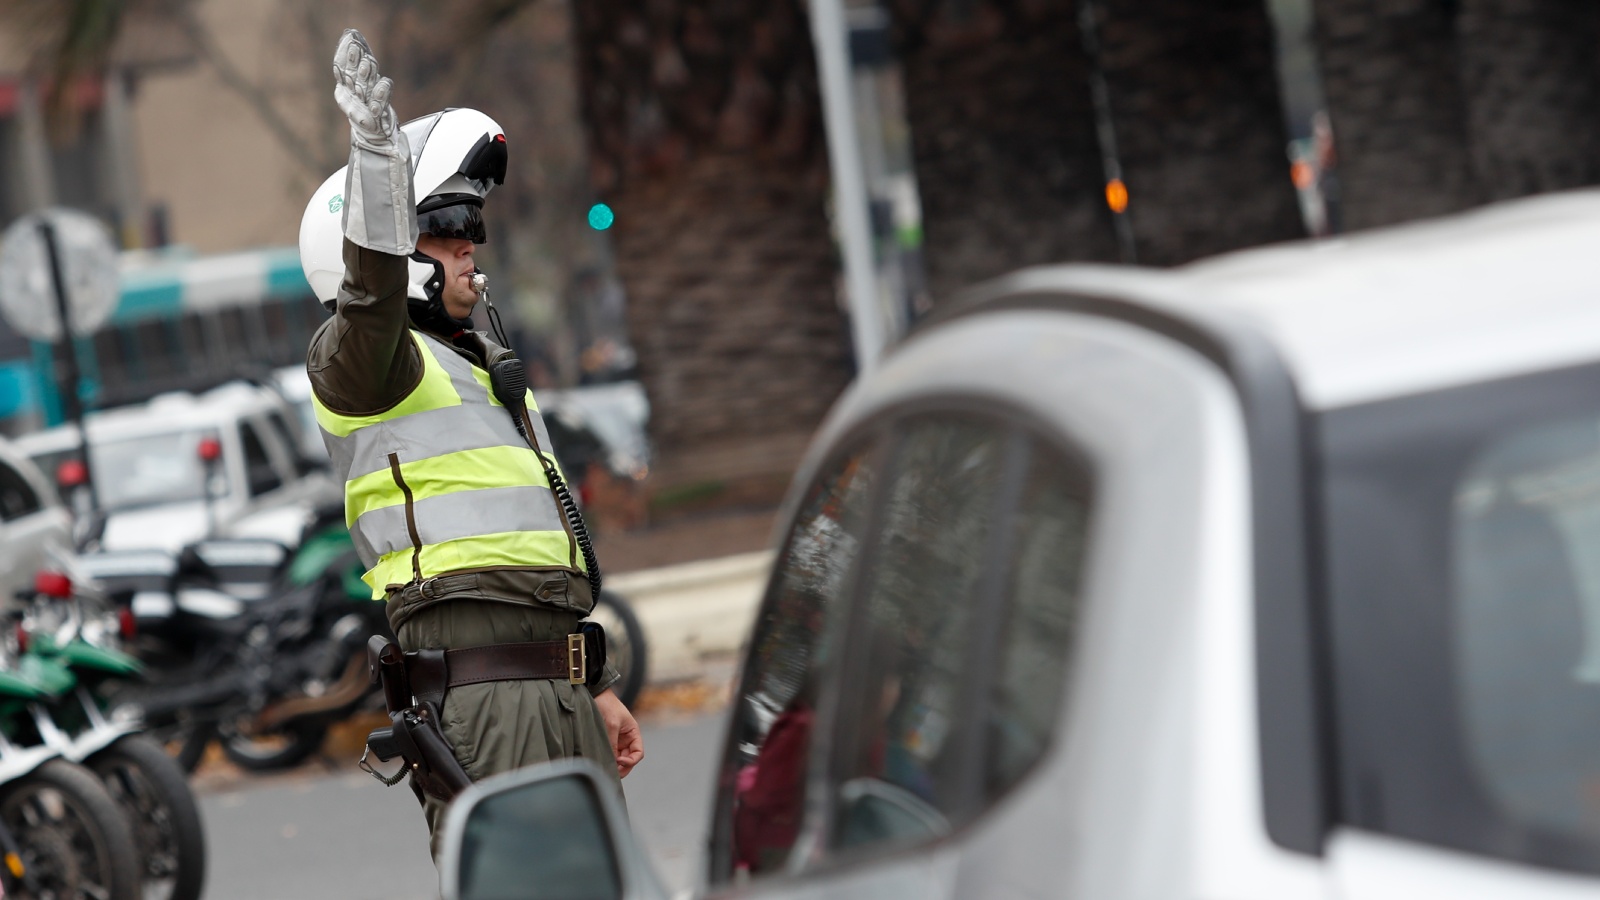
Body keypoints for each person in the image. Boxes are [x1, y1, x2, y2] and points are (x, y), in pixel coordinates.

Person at [297, 29, 643, 855]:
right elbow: (371, 296)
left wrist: (587, 683)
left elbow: (525, 553)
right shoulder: (368, 368)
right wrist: (379, 168)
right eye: (446, 225)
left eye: (472, 227)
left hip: (551, 685)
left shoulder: (479, 370)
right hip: (484, 697)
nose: (468, 245)